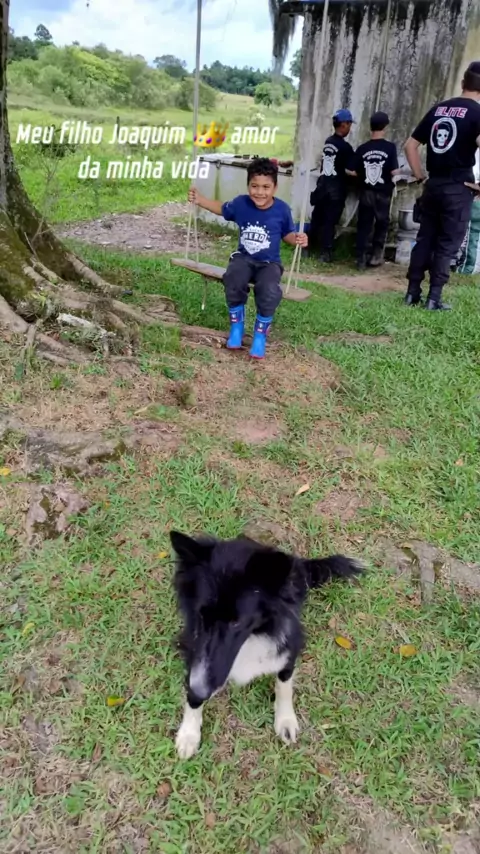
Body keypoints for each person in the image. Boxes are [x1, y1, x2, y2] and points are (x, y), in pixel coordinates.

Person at [188, 158, 308, 359]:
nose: (259, 192)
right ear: (248, 185)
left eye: (265, 187)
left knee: (268, 289)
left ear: (275, 188)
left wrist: (297, 239)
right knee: (233, 277)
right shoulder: (241, 204)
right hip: (244, 258)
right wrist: (200, 200)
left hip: (269, 263)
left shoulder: (281, 210)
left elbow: (287, 234)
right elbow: (222, 208)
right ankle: (237, 327)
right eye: (254, 186)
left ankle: (260, 336)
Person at [403, 61, 480, 310]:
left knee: (424, 239)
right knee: (447, 244)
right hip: (459, 186)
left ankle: (412, 292)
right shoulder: (477, 113)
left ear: (463, 83)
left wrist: (420, 176)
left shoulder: (439, 109)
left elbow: (410, 146)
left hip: (433, 185)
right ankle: (434, 298)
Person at [349, 111, 400, 269]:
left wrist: (362, 176)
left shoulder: (363, 148)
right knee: (382, 224)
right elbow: (394, 172)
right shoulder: (390, 148)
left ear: (370, 127)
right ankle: (376, 256)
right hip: (384, 192)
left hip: (366, 191)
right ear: (385, 127)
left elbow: (351, 171)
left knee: (364, 224)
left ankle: (360, 259)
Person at [308, 109, 355, 263]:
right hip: (335, 191)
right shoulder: (346, 148)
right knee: (330, 222)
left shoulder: (328, 142)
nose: (349, 128)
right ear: (344, 125)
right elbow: (351, 171)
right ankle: (325, 253)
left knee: (317, 219)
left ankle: (308, 248)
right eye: (349, 124)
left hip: (322, 186)